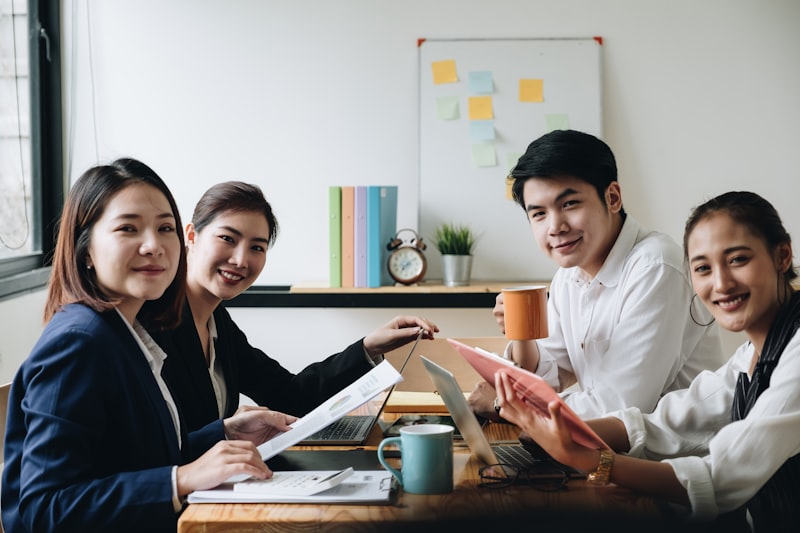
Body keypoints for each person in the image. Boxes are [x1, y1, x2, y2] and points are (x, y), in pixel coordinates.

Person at [1, 159, 297, 533]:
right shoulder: (78, 343)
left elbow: (129, 459)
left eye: (164, 228)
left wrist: (222, 434)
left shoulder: (126, 334)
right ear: (85, 248)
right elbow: (42, 511)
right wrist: (180, 480)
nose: (154, 246)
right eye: (128, 228)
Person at [496, 191, 800, 531]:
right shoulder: (756, 351)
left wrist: (589, 458)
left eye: (738, 260)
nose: (721, 284)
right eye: (702, 268)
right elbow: (681, 415)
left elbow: (723, 478)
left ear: (782, 256)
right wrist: (569, 431)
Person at [470, 129, 726, 420]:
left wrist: (505, 406)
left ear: (613, 197)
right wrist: (522, 336)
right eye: (539, 214)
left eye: (569, 204)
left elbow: (618, 405)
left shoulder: (656, 266)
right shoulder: (568, 277)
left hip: (676, 457)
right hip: (608, 452)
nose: (555, 227)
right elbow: (551, 374)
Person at [153, 181, 439, 433]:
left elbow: (291, 395)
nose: (241, 260)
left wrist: (370, 346)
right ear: (191, 235)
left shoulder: (218, 325)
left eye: (257, 247)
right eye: (228, 239)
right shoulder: (152, 322)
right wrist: (225, 432)